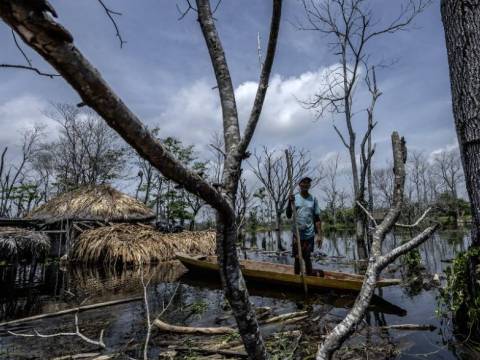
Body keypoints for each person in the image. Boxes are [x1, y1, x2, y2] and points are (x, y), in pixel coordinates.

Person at [286, 176, 323, 275]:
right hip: (297, 234)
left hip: (309, 234)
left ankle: (310, 276)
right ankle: (297, 278)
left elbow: (317, 218)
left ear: (309, 185)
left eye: (308, 183)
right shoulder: (294, 198)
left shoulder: (313, 199)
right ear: (300, 185)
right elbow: (288, 215)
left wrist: (319, 235)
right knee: (297, 258)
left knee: (307, 257)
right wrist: (289, 202)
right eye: (304, 182)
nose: (306, 184)